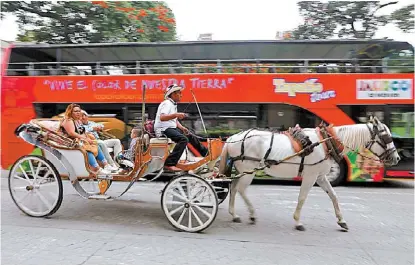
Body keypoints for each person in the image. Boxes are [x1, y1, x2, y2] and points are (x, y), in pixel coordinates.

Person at [154, 84, 208, 171]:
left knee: (189, 135)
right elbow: (162, 117)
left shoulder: (173, 104)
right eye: (179, 93)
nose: (181, 95)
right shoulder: (167, 103)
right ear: (173, 94)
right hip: (163, 130)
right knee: (183, 139)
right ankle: (170, 163)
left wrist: (182, 128)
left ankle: (206, 153)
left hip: (170, 128)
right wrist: (176, 114)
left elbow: (174, 120)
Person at [59, 103, 112, 175]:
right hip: (70, 142)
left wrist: (88, 138)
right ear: (70, 112)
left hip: (79, 140)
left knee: (95, 143)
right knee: (86, 148)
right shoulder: (68, 120)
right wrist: (85, 138)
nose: (78, 113)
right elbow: (71, 133)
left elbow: (82, 132)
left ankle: (106, 165)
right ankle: (97, 168)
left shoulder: (78, 120)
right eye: (75, 111)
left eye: (79, 111)